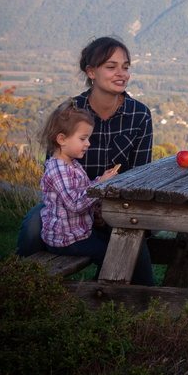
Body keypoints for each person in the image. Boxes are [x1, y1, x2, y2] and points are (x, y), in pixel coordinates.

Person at [17, 36, 153, 256]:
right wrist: (89, 202)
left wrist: (105, 205)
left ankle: (129, 289)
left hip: (117, 201)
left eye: (125, 67)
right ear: (91, 72)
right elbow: (53, 169)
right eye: (111, 67)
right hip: (68, 202)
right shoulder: (71, 111)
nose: (121, 74)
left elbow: (139, 173)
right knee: (34, 225)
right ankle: (22, 282)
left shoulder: (139, 114)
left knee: (132, 245)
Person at [38, 100, 153, 284]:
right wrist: (100, 184)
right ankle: (103, 289)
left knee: (118, 243)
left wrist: (100, 180)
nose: (88, 144)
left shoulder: (72, 164)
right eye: (83, 139)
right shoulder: (57, 170)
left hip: (79, 232)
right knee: (112, 252)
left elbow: (82, 190)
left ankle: (115, 284)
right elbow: (75, 203)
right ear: (61, 139)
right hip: (66, 240)